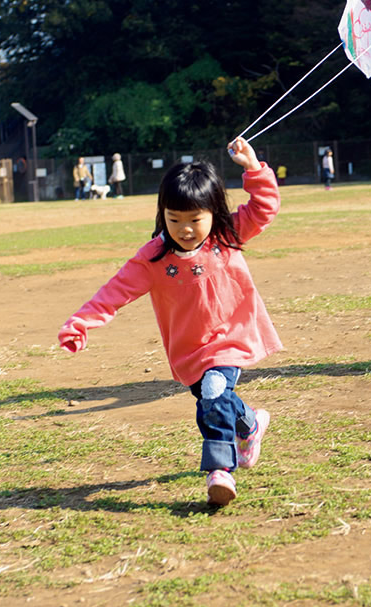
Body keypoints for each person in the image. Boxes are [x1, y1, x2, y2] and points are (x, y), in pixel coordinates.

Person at [58, 137, 282, 505]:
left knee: (213, 391)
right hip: (189, 351)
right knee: (215, 395)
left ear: (213, 211)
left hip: (231, 338)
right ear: (163, 213)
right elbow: (114, 292)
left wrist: (253, 167)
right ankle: (250, 425)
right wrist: (80, 322)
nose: (186, 228)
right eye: (175, 219)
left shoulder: (226, 235)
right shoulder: (154, 258)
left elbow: (265, 207)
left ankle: (220, 471)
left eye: (195, 219)